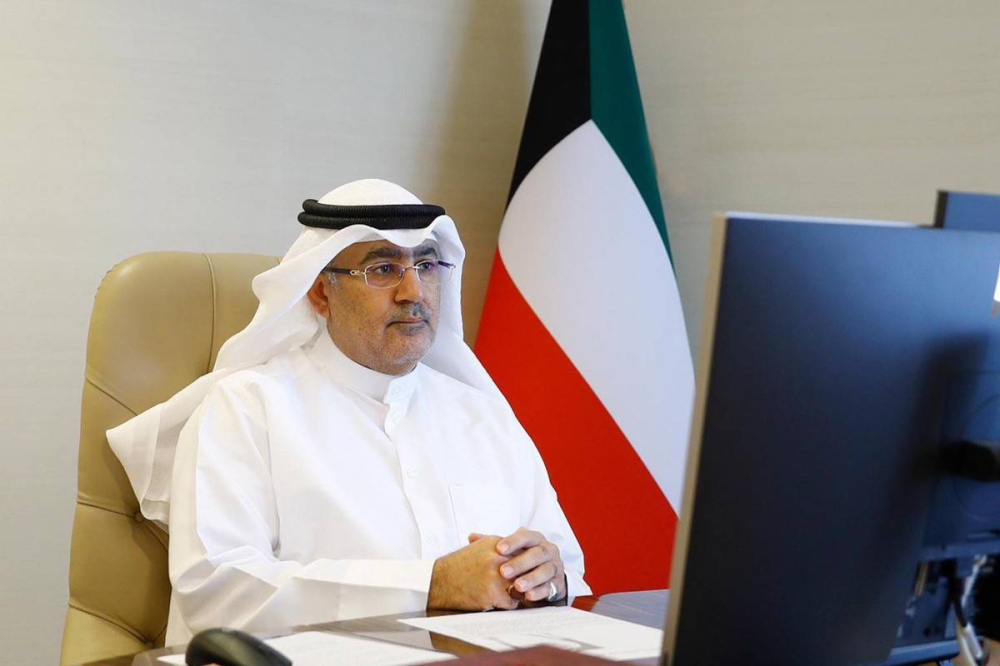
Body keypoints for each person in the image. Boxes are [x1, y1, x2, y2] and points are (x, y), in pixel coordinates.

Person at [108, 179, 590, 644]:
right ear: (321, 294)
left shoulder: (484, 416)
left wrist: (548, 577)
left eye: (425, 266)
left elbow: (570, 569)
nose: (413, 292)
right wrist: (431, 586)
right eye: (382, 269)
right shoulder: (246, 409)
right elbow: (218, 592)